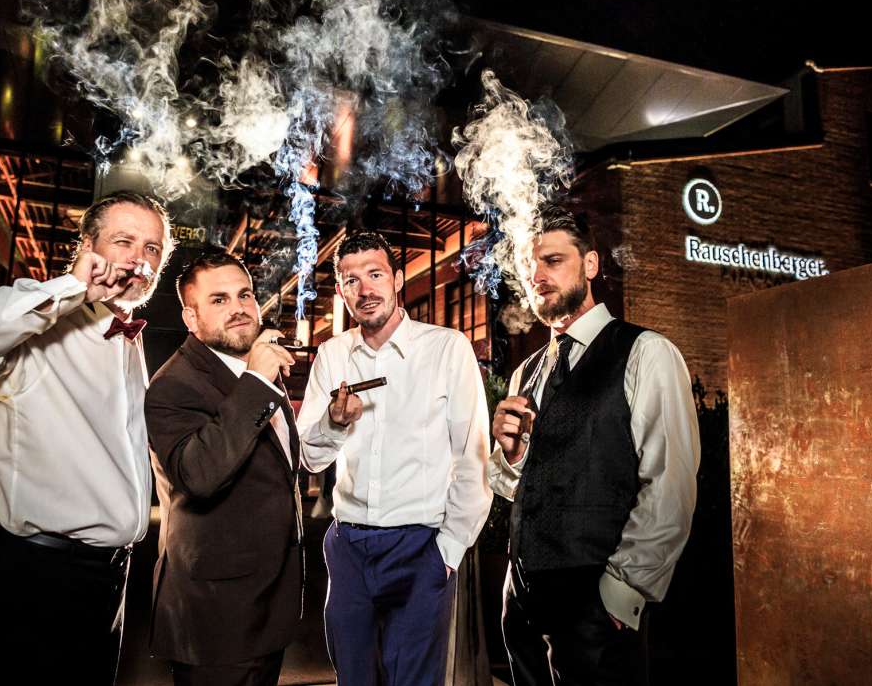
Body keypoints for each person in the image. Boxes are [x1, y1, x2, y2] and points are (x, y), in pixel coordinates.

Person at [0, 190, 174, 685]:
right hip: (35, 576)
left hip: (108, 579)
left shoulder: (128, 338)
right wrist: (70, 288)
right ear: (88, 246)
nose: (139, 259)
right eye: (124, 241)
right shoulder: (39, 328)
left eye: (152, 248)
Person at [488, 211, 700, 686]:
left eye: (552, 261)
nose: (537, 276)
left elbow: (670, 484)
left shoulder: (646, 352)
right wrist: (513, 455)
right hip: (522, 600)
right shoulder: (527, 371)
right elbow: (519, 486)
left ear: (589, 265)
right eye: (529, 266)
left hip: (596, 604)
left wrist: (623, 592)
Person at [297, 230, 492, 686]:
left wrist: (447, 551)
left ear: (398, 279)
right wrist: (334, 423)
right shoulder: (332, 354)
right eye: (351, 280)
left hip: (420, 546)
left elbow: (473, 458)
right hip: (349, 546)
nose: (365, 290)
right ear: (341, 290)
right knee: (353, 677)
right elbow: (309, 457)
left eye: (375, 274)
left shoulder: (447, 348)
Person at [145, 249, 303, 686]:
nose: (238, 308)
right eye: (219, 300)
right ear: (190, 318)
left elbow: (274, 469)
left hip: (265, 607)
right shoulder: (172, 386)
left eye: (244, 294)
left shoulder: (251, 369)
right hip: (215, 617)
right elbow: (199, 476)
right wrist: (257, 382)